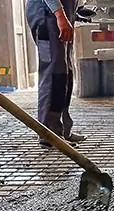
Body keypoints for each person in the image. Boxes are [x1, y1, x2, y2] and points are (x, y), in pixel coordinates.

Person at [26, 0, 87, 147]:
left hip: (60, 14)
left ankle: (62, 130)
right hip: (47, 16)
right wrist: (60, 15)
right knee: (54, 74)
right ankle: (49, 133)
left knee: (64, 73)